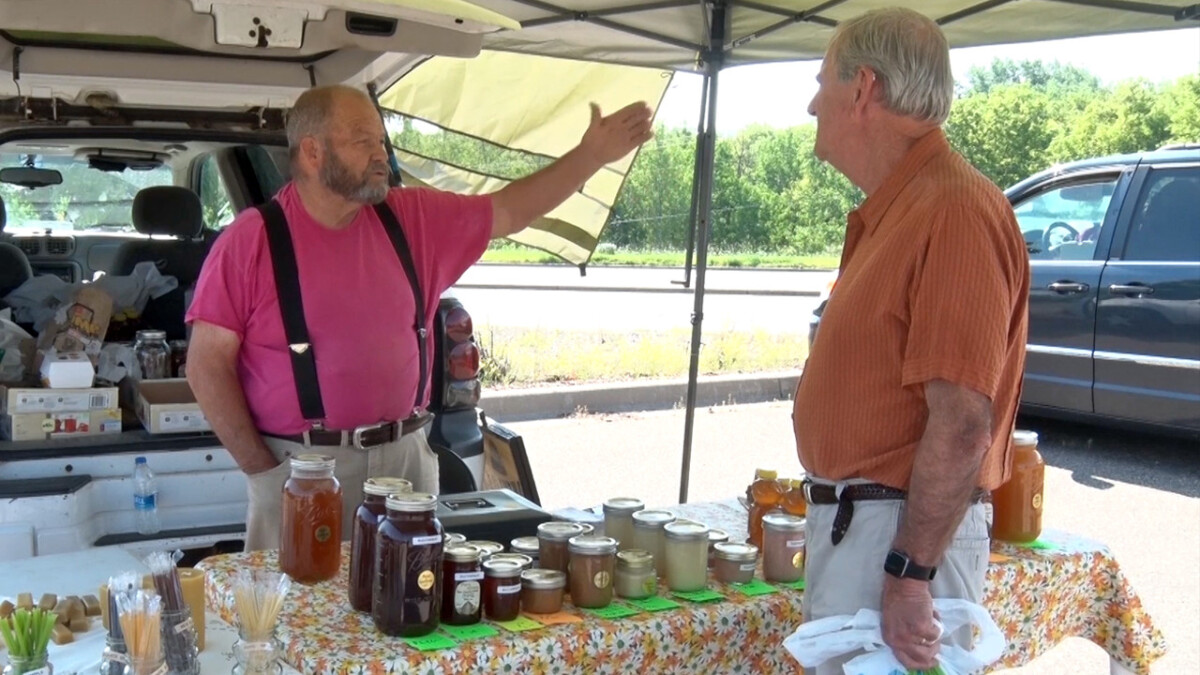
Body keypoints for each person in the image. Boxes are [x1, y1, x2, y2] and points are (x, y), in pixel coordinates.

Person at [186, 84, 652, 551]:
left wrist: (591, 155)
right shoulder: (251, 241)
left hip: (406, 465)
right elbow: (206, 366)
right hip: (304, 470)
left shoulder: (412, 219)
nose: (381, 155)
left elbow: (510, 209)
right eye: (362, 141)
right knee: (296, 616)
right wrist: (265, 472)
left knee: (408, 609)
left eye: (380, 140)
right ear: (312, 152)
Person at [792, 8, 1030, 673]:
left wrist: (908, 573)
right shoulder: (907, 205)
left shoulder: (950, 209)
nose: (814, 104)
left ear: (864, 88)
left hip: (892, 540)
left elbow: (960, 422)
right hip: (869, 530)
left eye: (822, 83)